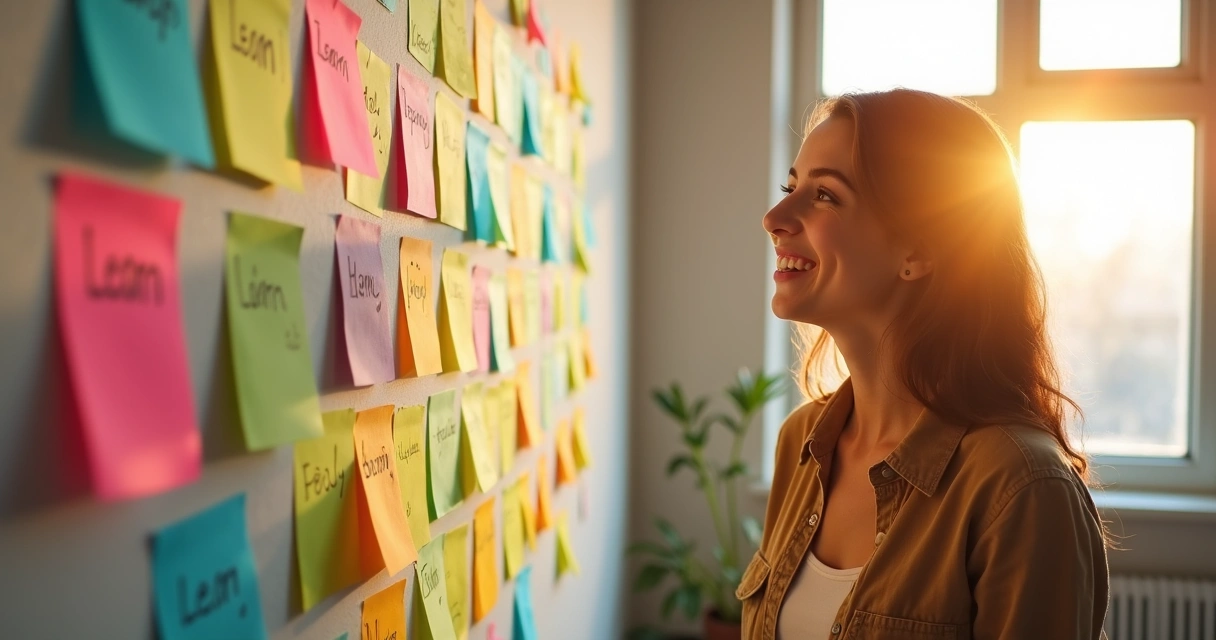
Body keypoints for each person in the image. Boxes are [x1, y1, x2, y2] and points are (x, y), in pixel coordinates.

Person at [739, 89, 1110, 639]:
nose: (773, 217)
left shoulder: (1022, 488)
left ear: (917, 250)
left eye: (824, 195)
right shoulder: (802, 441)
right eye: (789, 187)